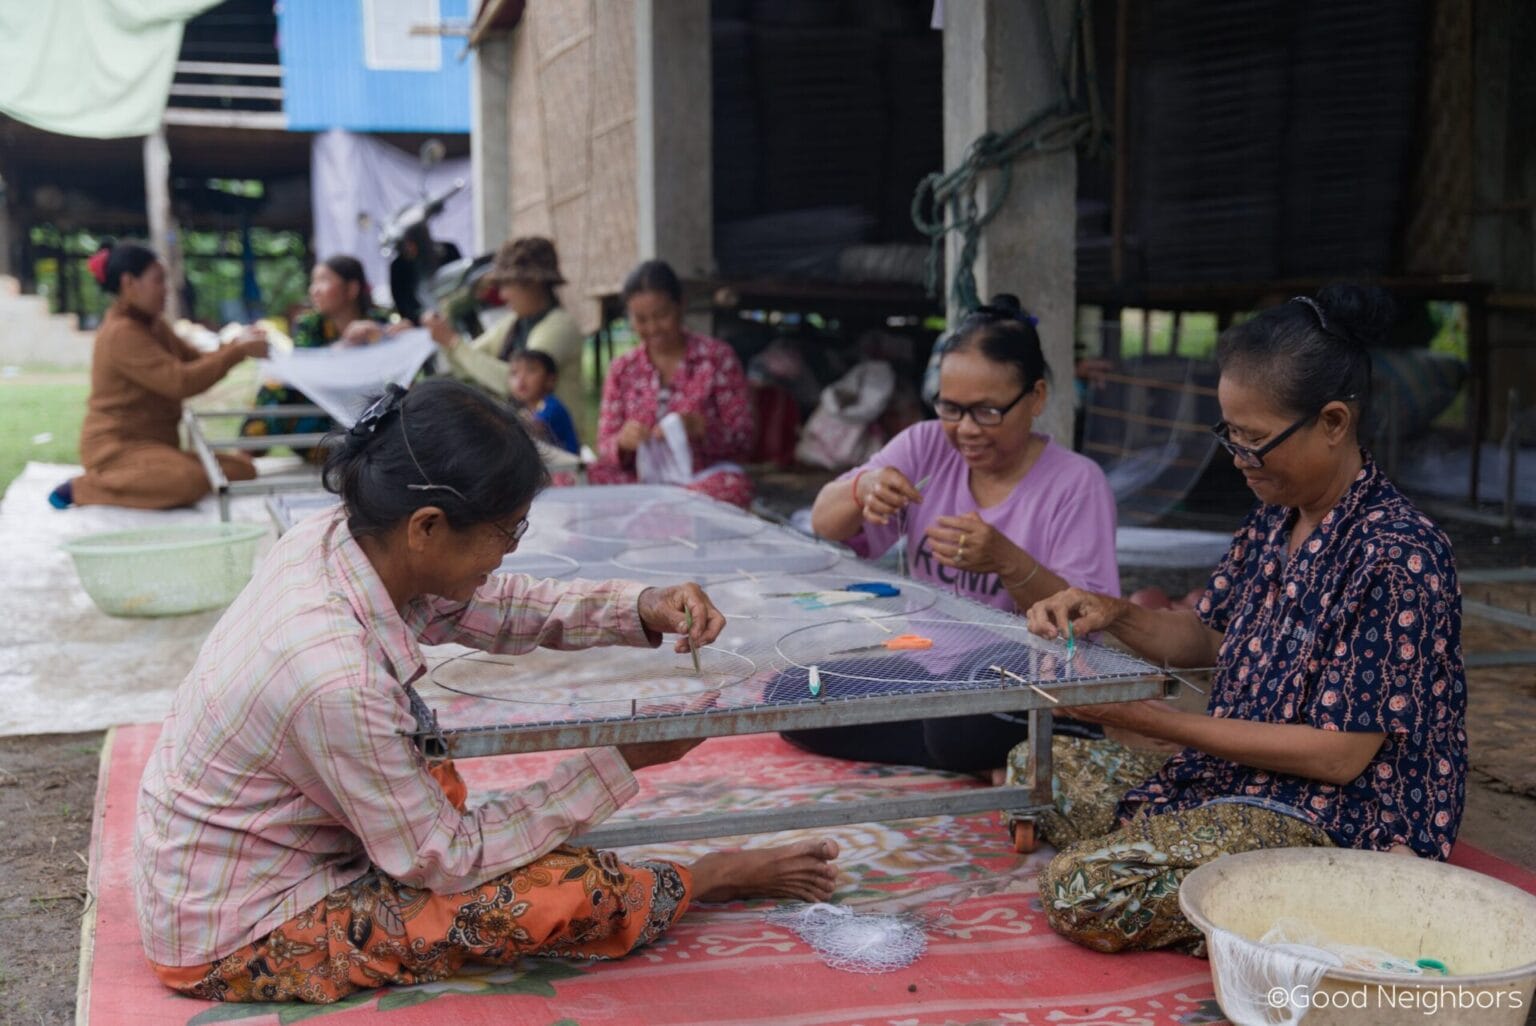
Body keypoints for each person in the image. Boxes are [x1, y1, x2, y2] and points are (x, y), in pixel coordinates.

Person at [133, 378, 839, 1005]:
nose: (511, 549)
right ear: (428, 527)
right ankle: (707, 878)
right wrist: (627, 757)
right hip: (242, 925)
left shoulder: (343, 540)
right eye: (507, 530)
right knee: (563, 895)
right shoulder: (335, 676)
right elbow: (446, 859)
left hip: (244, 854)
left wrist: (639, 606)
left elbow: (498, 606)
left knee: (450, 783)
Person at [1010, 285, 1467, 955]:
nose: (1237, 458)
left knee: (1080, 889)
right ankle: (1217, 879)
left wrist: (1154, 721)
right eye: (1230, 434)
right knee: (1033, 764)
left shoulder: (1398, 556)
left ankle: (1344, 900)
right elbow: (1207, 638)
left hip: (1338, 817)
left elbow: (1340, 757)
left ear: (1333, 422)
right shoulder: (1273, 519)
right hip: (1234, 778)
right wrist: (1114, 612)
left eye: (1254, 441)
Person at [781, 297, 1119, 773]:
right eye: (952, 408)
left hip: (1021, 672)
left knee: (962, 718)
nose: (966, 430)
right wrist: (863, 488)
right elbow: (823, 521)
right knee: (796, 691)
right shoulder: (926, 445)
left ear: (1036, 398)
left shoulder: (1077, 483)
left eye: (987, 411)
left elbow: (1084, 621)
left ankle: (964, 743)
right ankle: (976, 756)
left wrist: (1007, 561)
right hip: (924, 668)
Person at [48, 242, 268, 511]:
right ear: (129, 283)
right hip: (117, 450)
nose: (166, 290)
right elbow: (180, 382)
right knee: (186, 480)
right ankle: (85, 487)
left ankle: (160, 473)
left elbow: (196, 360)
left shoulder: (154, 324)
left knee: (243, 469)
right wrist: (237, 351)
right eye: (158, 281)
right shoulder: (121, 333)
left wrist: (237, 344)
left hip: (157, 448)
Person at [588, 260, 755, 508]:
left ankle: (661, 508)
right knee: (576, 477)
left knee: (734, 487)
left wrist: (701, 428)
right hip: (639, 481)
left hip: (701, 479)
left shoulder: (717, 358)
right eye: (641, 319)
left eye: (661, 315)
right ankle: (667, 508)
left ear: (680, 306)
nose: (653, 328)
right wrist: (623, 442)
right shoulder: (622, 369)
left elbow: (744, 440)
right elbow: (605, 445)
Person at [425, 236, 587, 428]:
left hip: (555, 441)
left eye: (507, 284)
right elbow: (463, 368)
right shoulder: (512, 323)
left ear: (533, 282)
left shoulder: (560, 326)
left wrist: (453, 343)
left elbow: (516, 385)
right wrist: (446, 340)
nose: (503, 295)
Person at [240, 256, 393, 445]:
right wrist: (345, 345)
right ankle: (248, 447)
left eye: (323, 281)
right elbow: (305, 367)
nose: (314, 290)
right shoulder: (309, 324)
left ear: (352, 289)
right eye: (313, 282)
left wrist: (391, 335)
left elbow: (395, 371)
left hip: (366, 413)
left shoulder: (378, 323)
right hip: (321, 415)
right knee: (276, 386)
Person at [509, 349, 579, 454]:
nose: (521, 378)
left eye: (531, 371)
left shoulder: (552, 406)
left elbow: (536, 428)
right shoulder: (525, 409)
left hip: (567, 461)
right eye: (514, 373)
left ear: (550, 380)